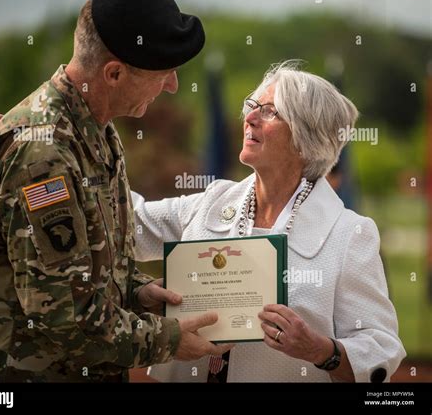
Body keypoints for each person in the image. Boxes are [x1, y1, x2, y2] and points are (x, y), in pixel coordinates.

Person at [0, 0, 231, 383]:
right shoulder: (43, 154)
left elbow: (82, 268)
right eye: (163, 72)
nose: (172, 85)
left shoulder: (93, 129)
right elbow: (63, 315)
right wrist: (168, 339)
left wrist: (135, 291)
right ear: (114, 73)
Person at [131, 61, 406, 382]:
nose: (249, 118)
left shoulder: (348, 234)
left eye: (269, 111)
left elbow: (381, 347)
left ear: (308, 137)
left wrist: (321, 350)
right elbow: (126, 225)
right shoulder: (212, 201)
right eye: (251, 106)